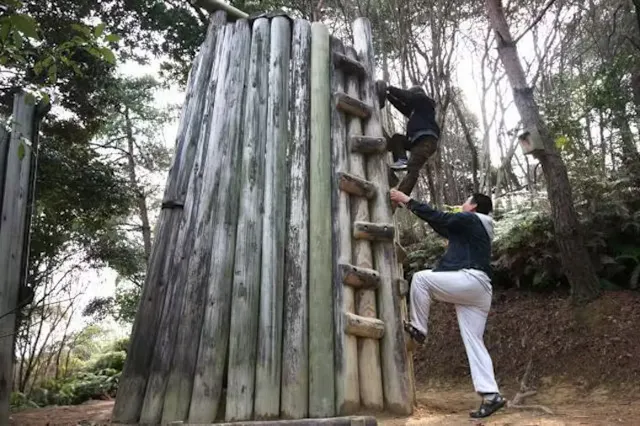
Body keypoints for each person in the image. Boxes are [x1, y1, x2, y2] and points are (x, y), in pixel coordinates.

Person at [389, 189, 506, 419]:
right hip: (481, 290)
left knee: (421, 279)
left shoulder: (470, 218)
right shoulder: (477, 226)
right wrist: (411, 207)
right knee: (474, 341)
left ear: (473, 206)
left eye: (466, 202)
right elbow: (441, 225)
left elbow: (441, 218)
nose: (462, 204)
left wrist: (407, 200)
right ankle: (491, 395)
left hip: (470, 280)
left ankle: (419, 329)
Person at [383, 84, 440, 196]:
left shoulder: (424, 101)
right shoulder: (416, 110)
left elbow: (407, 97)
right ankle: (401, 159)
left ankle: (400, 196)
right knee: (397, 139)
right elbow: (402, 107)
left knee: (413, 168)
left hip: (426, 140)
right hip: (416, 141)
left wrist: (390, 89)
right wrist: (388, 97)